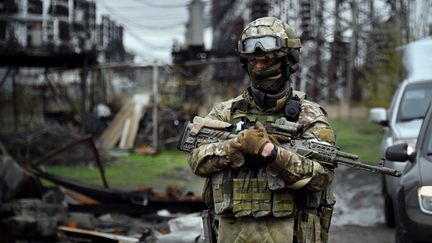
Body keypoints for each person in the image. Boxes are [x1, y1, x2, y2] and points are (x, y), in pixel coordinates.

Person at [187, 17, 336, 243]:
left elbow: (322, 175)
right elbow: (196, 160)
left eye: (267, 61)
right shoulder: (226, 112)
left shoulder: (310, 116)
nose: (258, 67)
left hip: (290, 232)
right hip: (232, 232)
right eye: (252, 61)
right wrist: (234, 147)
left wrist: (272, 153)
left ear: (287, 61)